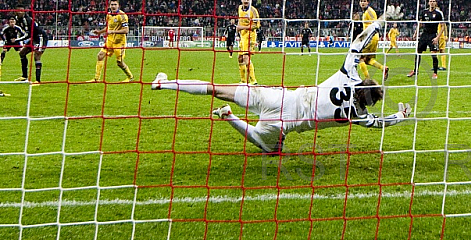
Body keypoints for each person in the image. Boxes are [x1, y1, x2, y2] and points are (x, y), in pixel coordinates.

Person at [151, 18, 412, 153]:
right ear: (369, 101)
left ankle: (164, 84)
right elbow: (381, 123)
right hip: (283, 125)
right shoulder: (359, 114)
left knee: (215, 88)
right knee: (268, 147)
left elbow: (356, 45)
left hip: (275, 98)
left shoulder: (347, 75)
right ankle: (230, 118)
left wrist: (376, 26)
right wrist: (400, 115)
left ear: (362, 82)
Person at [87, 0, 135, 82]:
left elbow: (126, 30)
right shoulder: (108, 15)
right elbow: (108, 27)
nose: (113, 6)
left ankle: (130, 77)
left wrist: (113, 31)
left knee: (119, 63)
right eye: (112, 4)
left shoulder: (122, 16)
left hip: (119, 43)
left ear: (118, 5)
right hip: (110, 41)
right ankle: (96, 79)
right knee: (100, 56)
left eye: (115, 4)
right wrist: (99, 32)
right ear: (109, 6)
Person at [407, 0, 443, 80]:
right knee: (418, 52)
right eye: (431, 1)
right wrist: (416, 33)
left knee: (433, 54)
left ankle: (435, 73)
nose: (432, 3)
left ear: (436, 3)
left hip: (433, 35)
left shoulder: (438, 14)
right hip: (424, 35)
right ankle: (415, 70)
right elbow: (420, 23)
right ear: (428, 3)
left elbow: (442, 27)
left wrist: (437, 38)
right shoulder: (424, 12)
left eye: (433, 1)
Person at [357, 0, 388, 81]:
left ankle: (367, 79)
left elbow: (375, 23)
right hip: (372, 37)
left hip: (370, 37)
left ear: (368, 2)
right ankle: (383, 68)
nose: (362, 3)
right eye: (361, 1)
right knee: (367, 60)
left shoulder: (369, 11)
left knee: (359, 58)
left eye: (364, 1)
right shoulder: (365, 12)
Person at [15, 6, 48, 84]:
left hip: (40, 37)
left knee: (37, 56)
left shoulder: (27, 20)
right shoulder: (17, 19)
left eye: (21, 11)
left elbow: (28, 34)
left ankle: (38, 80)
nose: (20, 12)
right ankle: (24, 76)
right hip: (33, 38)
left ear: (24, 12)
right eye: (18, 10)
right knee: (22, 53)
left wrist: (17, 40)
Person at [237, 0, 260, 84]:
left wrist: (242, 27)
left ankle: (253, 81)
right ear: (241, 0)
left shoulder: (253, 11)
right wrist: (238, 29)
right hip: (242, 36)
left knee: (246, 57)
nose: (246, 1)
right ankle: (242, 81)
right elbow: (240, 19)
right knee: (240, 58)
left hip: (250, 36)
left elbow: (256, 26)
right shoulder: (239, 8)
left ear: (250, 0)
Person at [1, 16, 26, 81]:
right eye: (11, 22)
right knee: (4, 50)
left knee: (21, 52)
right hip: (8, 41)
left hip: (16, 42)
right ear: (9, 22)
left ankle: (23, 61)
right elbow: (1, 34)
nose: (12, 23)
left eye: (13, 22)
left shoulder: (18, 28)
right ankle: (1, 61)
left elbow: (23, 34)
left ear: (15, 22)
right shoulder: (6, 28)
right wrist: (5, 40)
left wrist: (18, 39)